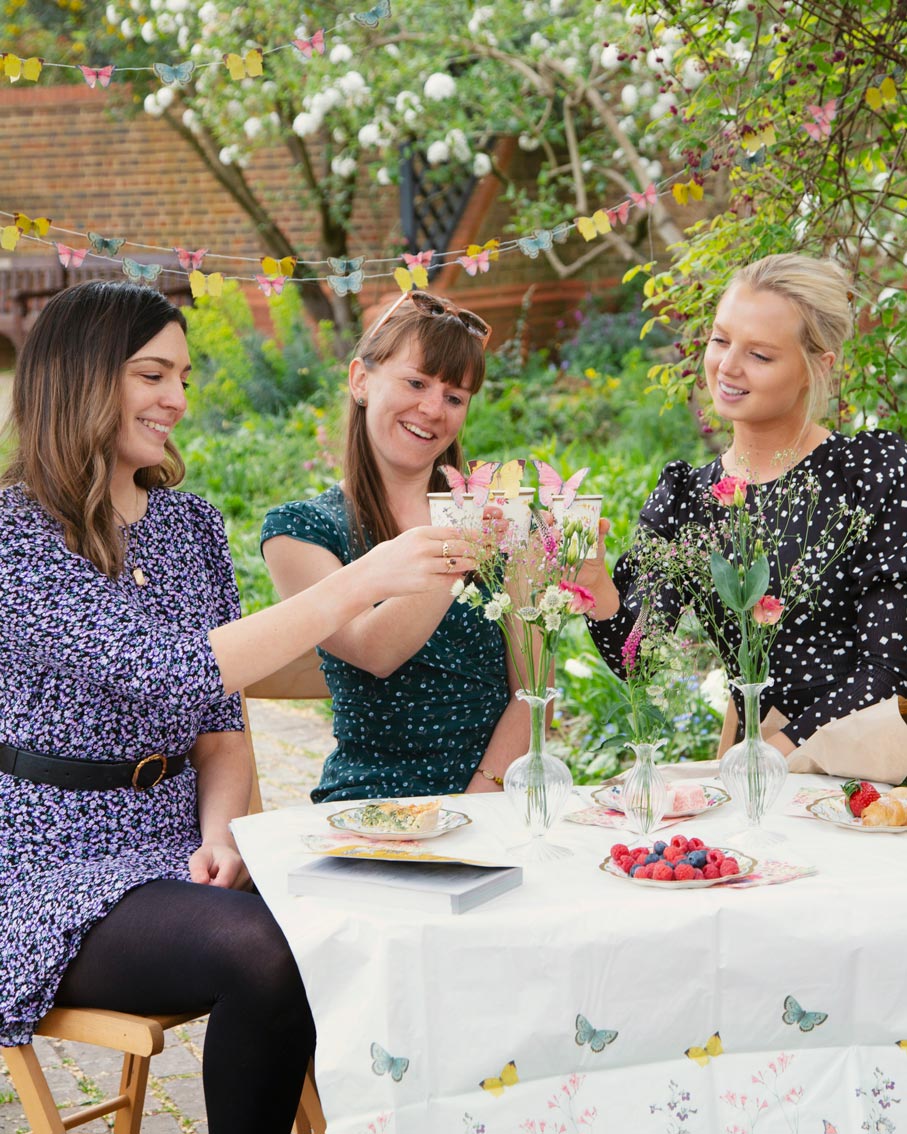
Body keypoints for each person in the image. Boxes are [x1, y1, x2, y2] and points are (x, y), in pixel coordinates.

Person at [0, 280, 476, 1134]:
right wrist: (362, 579)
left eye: (182, 375)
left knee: (370, 910)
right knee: (270, 948)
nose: (177, 399)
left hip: (178, 852)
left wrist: (223, 831)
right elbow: (166, 672)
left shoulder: (189, 527)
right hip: (46, 871)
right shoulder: (16, 536)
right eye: (152, 375)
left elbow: (216, 723)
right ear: (76, 379)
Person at [581, 252, 907, 753]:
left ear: (815, 368)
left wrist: (768, 756)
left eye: (760, 355)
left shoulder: (873, 474)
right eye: (720, 340)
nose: (727, 367)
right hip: (759, 777)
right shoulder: (687, 498)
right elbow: (641, 663)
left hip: (864, 779)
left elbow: (890, 668)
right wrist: (594, 584)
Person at [262, 289, 529, 802]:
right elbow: (373, 651)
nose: (432, 408)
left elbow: (532, 690)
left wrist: (479, 804)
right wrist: (464, 546)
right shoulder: (300, 531)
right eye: (416, 382)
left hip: (496, 802)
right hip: (371, 806)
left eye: (454, 397)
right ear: (361, 380)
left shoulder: (497, 519)